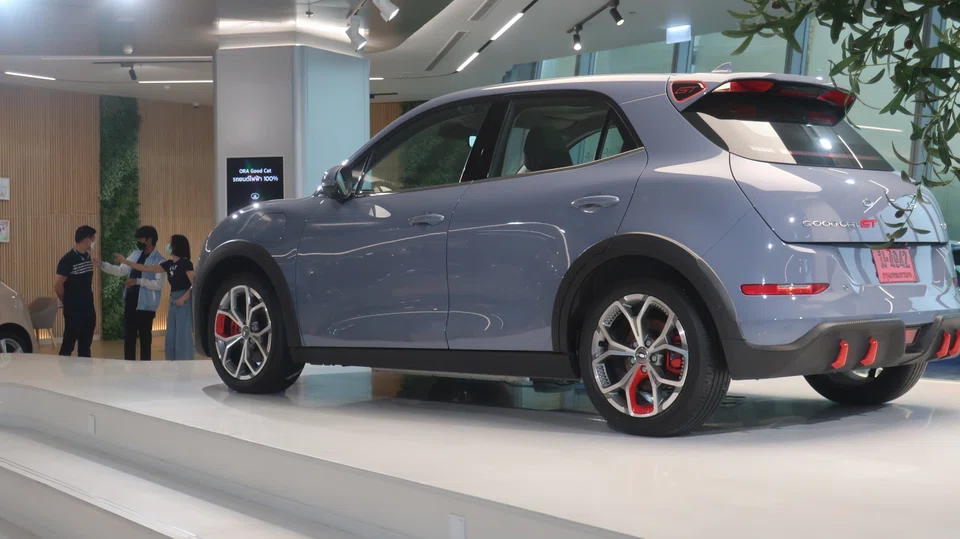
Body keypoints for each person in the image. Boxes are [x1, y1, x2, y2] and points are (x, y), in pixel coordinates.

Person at [116, 235, 195, 361]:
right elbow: (147, 268)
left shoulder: (185, 263)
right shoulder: (168, 264)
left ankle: (185, 361)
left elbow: (195, 285)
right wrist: (126, 262)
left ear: (176, 246)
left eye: (170, 243)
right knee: (171, 333)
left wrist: (183, 298)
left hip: (183, 300)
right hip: (173, 300)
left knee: (183, 332)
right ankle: (172, 360)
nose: (167, 246)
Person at [100, 226, 164, 361]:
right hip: (131, 300)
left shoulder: (159, 260)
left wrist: (138, 281)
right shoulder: (135, 254)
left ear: (149, 240)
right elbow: (120, 270)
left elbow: (158, 285)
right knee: (129, 337)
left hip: (146, 305)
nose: (138, 241)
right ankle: (128, 366)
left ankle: (145, 367)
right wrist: (102, 265)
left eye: (140, 239)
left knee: (145, 338)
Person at [54, 226, 98, 357]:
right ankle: (64, 374)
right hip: (74, 309)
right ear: (86, 240)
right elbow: (57, 284)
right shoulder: (68, 260)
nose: (94, 242)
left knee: (85, 346)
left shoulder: (88, 257)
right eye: (93, 239)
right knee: (69, 344)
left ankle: (85, 375)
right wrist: (65, 300)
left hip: (88, 308)